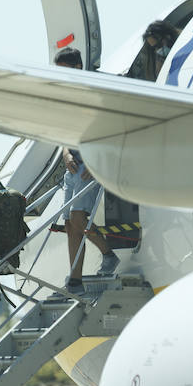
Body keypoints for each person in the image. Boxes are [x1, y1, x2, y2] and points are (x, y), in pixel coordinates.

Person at [53, 47, 119, 294]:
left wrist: (96, 164)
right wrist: (66, 154)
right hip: (73, 165)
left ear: (78, 68)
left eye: (64, 70)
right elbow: (64, 135)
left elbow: (109, 133)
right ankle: (75, 280)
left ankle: (108, 254)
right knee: (71, 224)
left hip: (89, 167)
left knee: (80, 219)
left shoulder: (95, 94)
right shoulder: (66, 98)